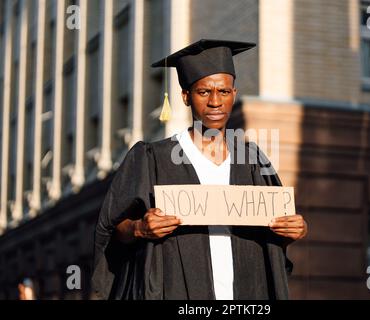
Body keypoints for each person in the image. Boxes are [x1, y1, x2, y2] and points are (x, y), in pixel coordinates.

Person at [92, 39, 307, 300]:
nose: (215, 102)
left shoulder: (253, 161)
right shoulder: (151, 159)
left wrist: (294, 230)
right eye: (204, 92)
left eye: (224, 92)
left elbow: (276, 234)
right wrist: (139, 228)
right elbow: (111, 230)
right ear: (186, 96)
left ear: (234, 94)